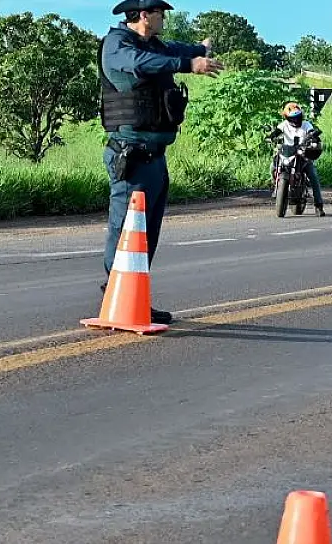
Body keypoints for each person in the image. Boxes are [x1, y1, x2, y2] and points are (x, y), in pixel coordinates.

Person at [97, 0, 223, 324]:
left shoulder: (154, 44)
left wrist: (200, 49)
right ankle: (116, 291)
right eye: (159, 13)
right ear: (143, 15)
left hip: (155, 158)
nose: (163, 18)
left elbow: (173, 49)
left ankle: (135, 295)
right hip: (131, 156)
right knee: (125, 228)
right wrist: (187, 64)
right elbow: (143, 62)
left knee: (145, 234)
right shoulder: (118, 45)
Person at [266, 101, 325, 216]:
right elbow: (276, 132)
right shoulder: (284, 125)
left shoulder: (306, 124)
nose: (295, 120)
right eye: (292, 118)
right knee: (272, 166)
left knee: (313, 176)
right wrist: (271, 137)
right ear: (287, 118)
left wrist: (313, 137)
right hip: (287, 152)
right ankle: (275, 186)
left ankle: (319, 206)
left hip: (302, 155)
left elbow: (311, 131)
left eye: (297, 117)